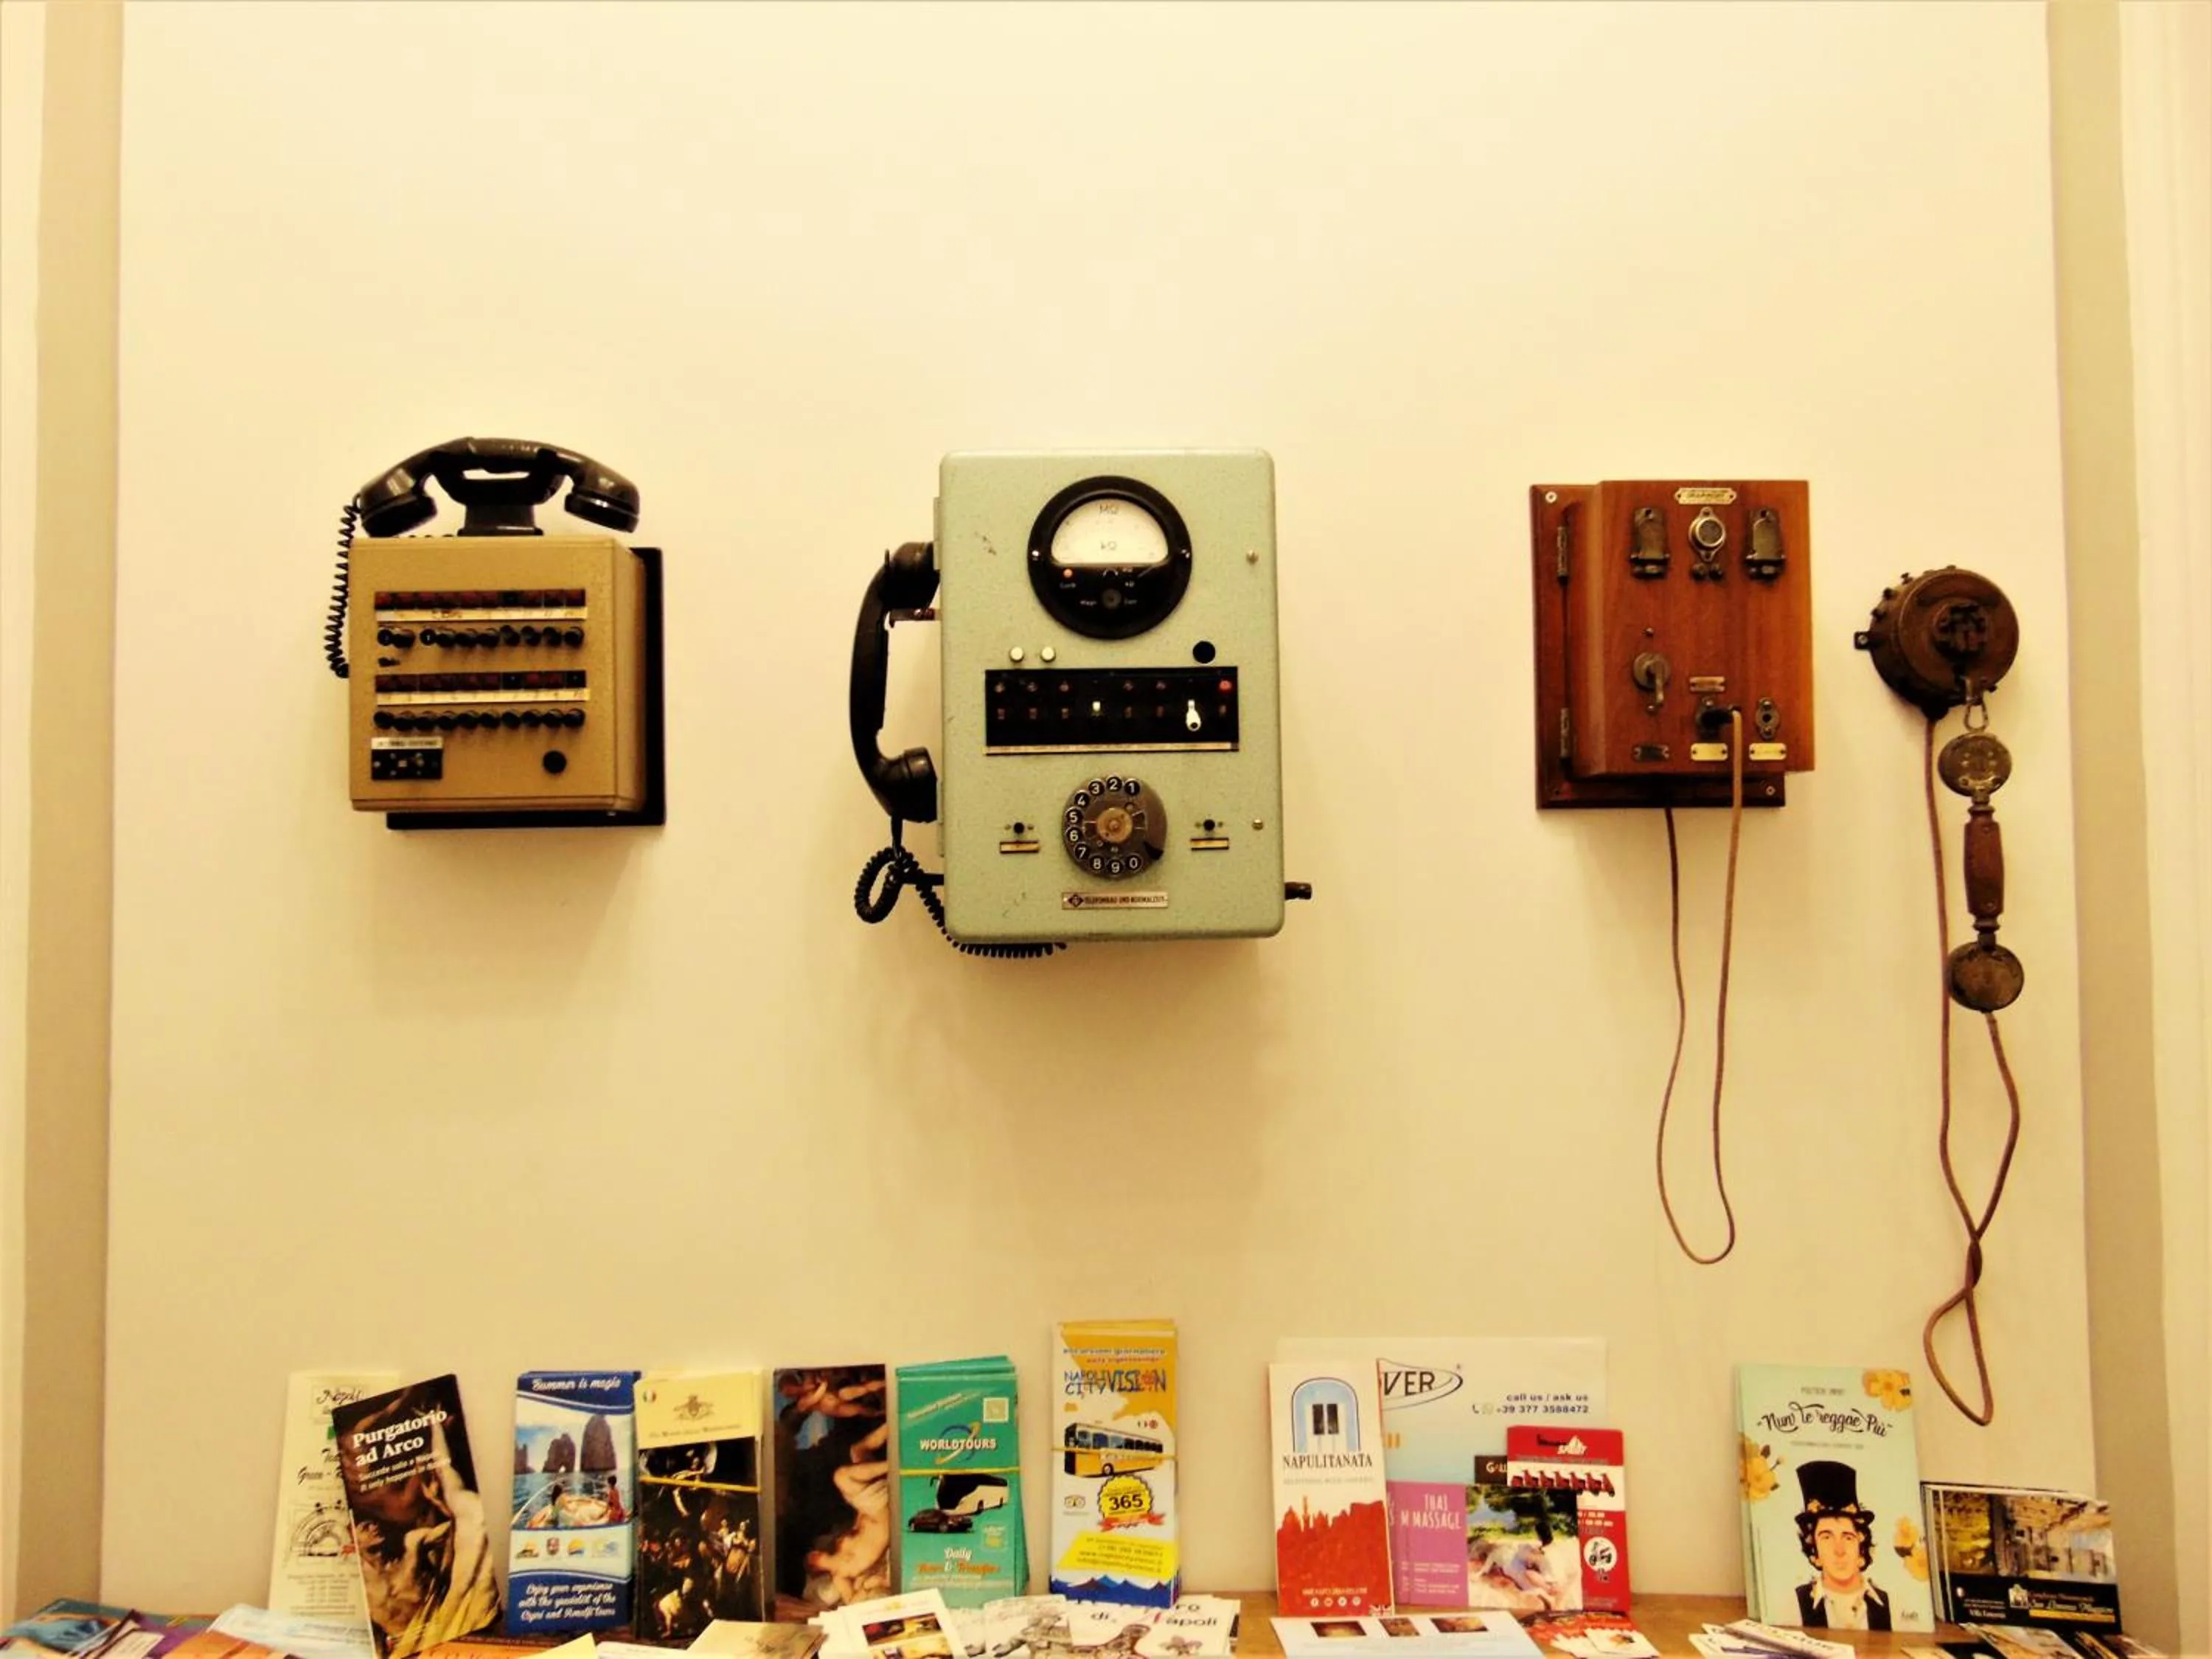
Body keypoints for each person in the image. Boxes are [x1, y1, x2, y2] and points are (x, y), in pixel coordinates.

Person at [1791, 1461, 1893, 1630]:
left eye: (1848, 1538)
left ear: (1861, 1548)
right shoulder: (1795, 1603)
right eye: (1826, 1538)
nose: (1839, 1550)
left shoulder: (1890, 1604)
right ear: (1814, 1552)